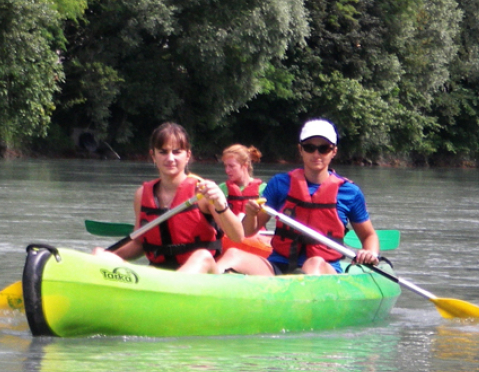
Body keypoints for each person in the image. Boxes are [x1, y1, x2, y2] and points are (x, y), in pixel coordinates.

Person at [96, 122, 262, 275]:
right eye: (163, 152)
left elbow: (238, 236)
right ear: (153, 155)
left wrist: (221, 204)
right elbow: (140, 243)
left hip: (205, 275)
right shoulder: (142, 194)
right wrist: (106, 257)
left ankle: (169, 290)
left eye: (177, 152)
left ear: (187, 155)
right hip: (160, 272)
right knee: (100, 255)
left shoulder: (203, 191)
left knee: (202, 256)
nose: (170, 158)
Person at [254, 118, 380, 275]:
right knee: (233, 255)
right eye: (309, 147)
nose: (316, 154)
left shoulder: (350, 192)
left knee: (313, 263)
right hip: (279, 265)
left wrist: (370, 253)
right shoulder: (279, 183)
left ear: (334, 151)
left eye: (324, 148)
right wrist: (250, 213)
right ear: (300, 149)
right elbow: (249, 230)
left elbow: (369, 235)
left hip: (323, 269)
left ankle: (302, 292)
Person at [220, 144, 265, 237]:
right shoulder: (220, 189)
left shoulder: (264, 189)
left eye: (231, 166)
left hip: (257, 237)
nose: (227, 170)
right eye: (225, 166)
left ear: (245, 166)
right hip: (230, 235)